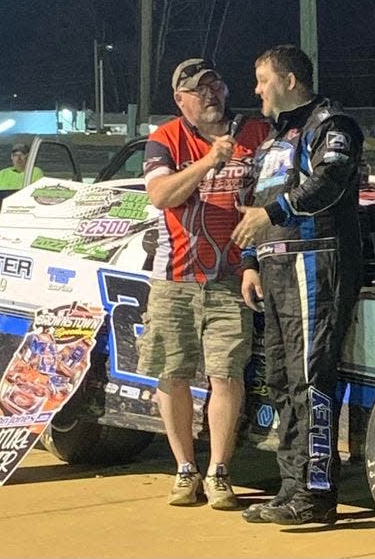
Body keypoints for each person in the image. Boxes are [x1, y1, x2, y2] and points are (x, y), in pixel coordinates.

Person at [231, 44, 364, 526]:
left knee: (312, 380)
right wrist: (249, 261)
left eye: (262, 79)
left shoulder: (332, 124)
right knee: (284, 382)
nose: (256, 90)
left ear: (288, 80)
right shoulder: (273, 138)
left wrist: (273, 213)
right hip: (274, 270)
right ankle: (292, 489)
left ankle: (318, 493)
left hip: (317, 264)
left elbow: (329, 182)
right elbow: (254, 203)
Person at [139, 57, 269, 510]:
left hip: (232, 277)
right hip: (174, 276)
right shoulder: (165, 139)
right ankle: (183, 468)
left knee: (226, 374)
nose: (210, 94)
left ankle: (218, 471)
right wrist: (210, 160)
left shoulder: (256, 134)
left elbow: (270, 197)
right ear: (181, 100)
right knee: (172, 373)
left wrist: (253, 261)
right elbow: (161, 195)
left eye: (216, 85)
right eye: (198, 89)